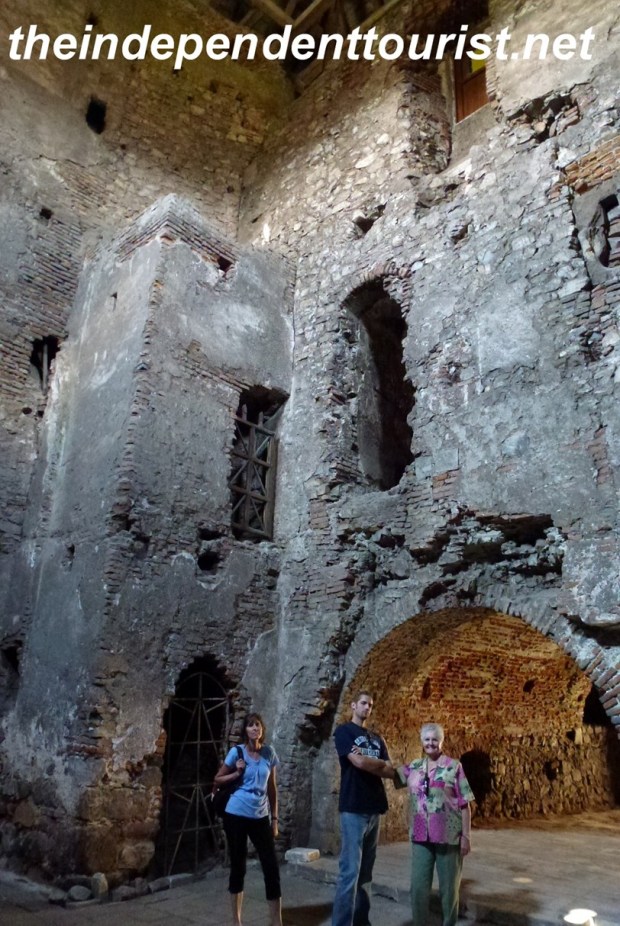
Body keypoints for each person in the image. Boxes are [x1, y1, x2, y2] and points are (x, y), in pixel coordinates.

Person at [397, 722, 474, 926]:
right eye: (427, 739)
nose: (430, 743)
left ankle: (448, 923)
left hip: (448, 834)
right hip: (421, 833)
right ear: (421, 742)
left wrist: (466, 836)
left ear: (441, 742)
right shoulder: (414, 766)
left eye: (434, 739)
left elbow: (465, 804)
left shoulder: (453, 766)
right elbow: (389, 774)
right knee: (419, 886)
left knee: (449, 889)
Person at [331, 690, 395, 926]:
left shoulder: (377, 738)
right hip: (353, 808)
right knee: (350, 871)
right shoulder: (344, 732)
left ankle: (361, 921)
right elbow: (356, 762)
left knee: (366, 871)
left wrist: (373, 764)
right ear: (353, 705)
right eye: (364, 703)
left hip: (374, 808)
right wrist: (376, 764)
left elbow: (390, 770)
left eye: (370, 705)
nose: (367, 707)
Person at [214, 712, 282, 926]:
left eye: (258, 725)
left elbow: (272, 789)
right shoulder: (237, 752)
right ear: (245, 730)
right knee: (238, 866)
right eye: (251, 725)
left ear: (262, 729)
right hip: (236, 814)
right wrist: (236, 774)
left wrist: (275, 819)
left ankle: (276, 921)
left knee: (271, 867)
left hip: (260, 816)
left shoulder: (269, 753)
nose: (255, 729)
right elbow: (217, 779)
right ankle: (237, 921)